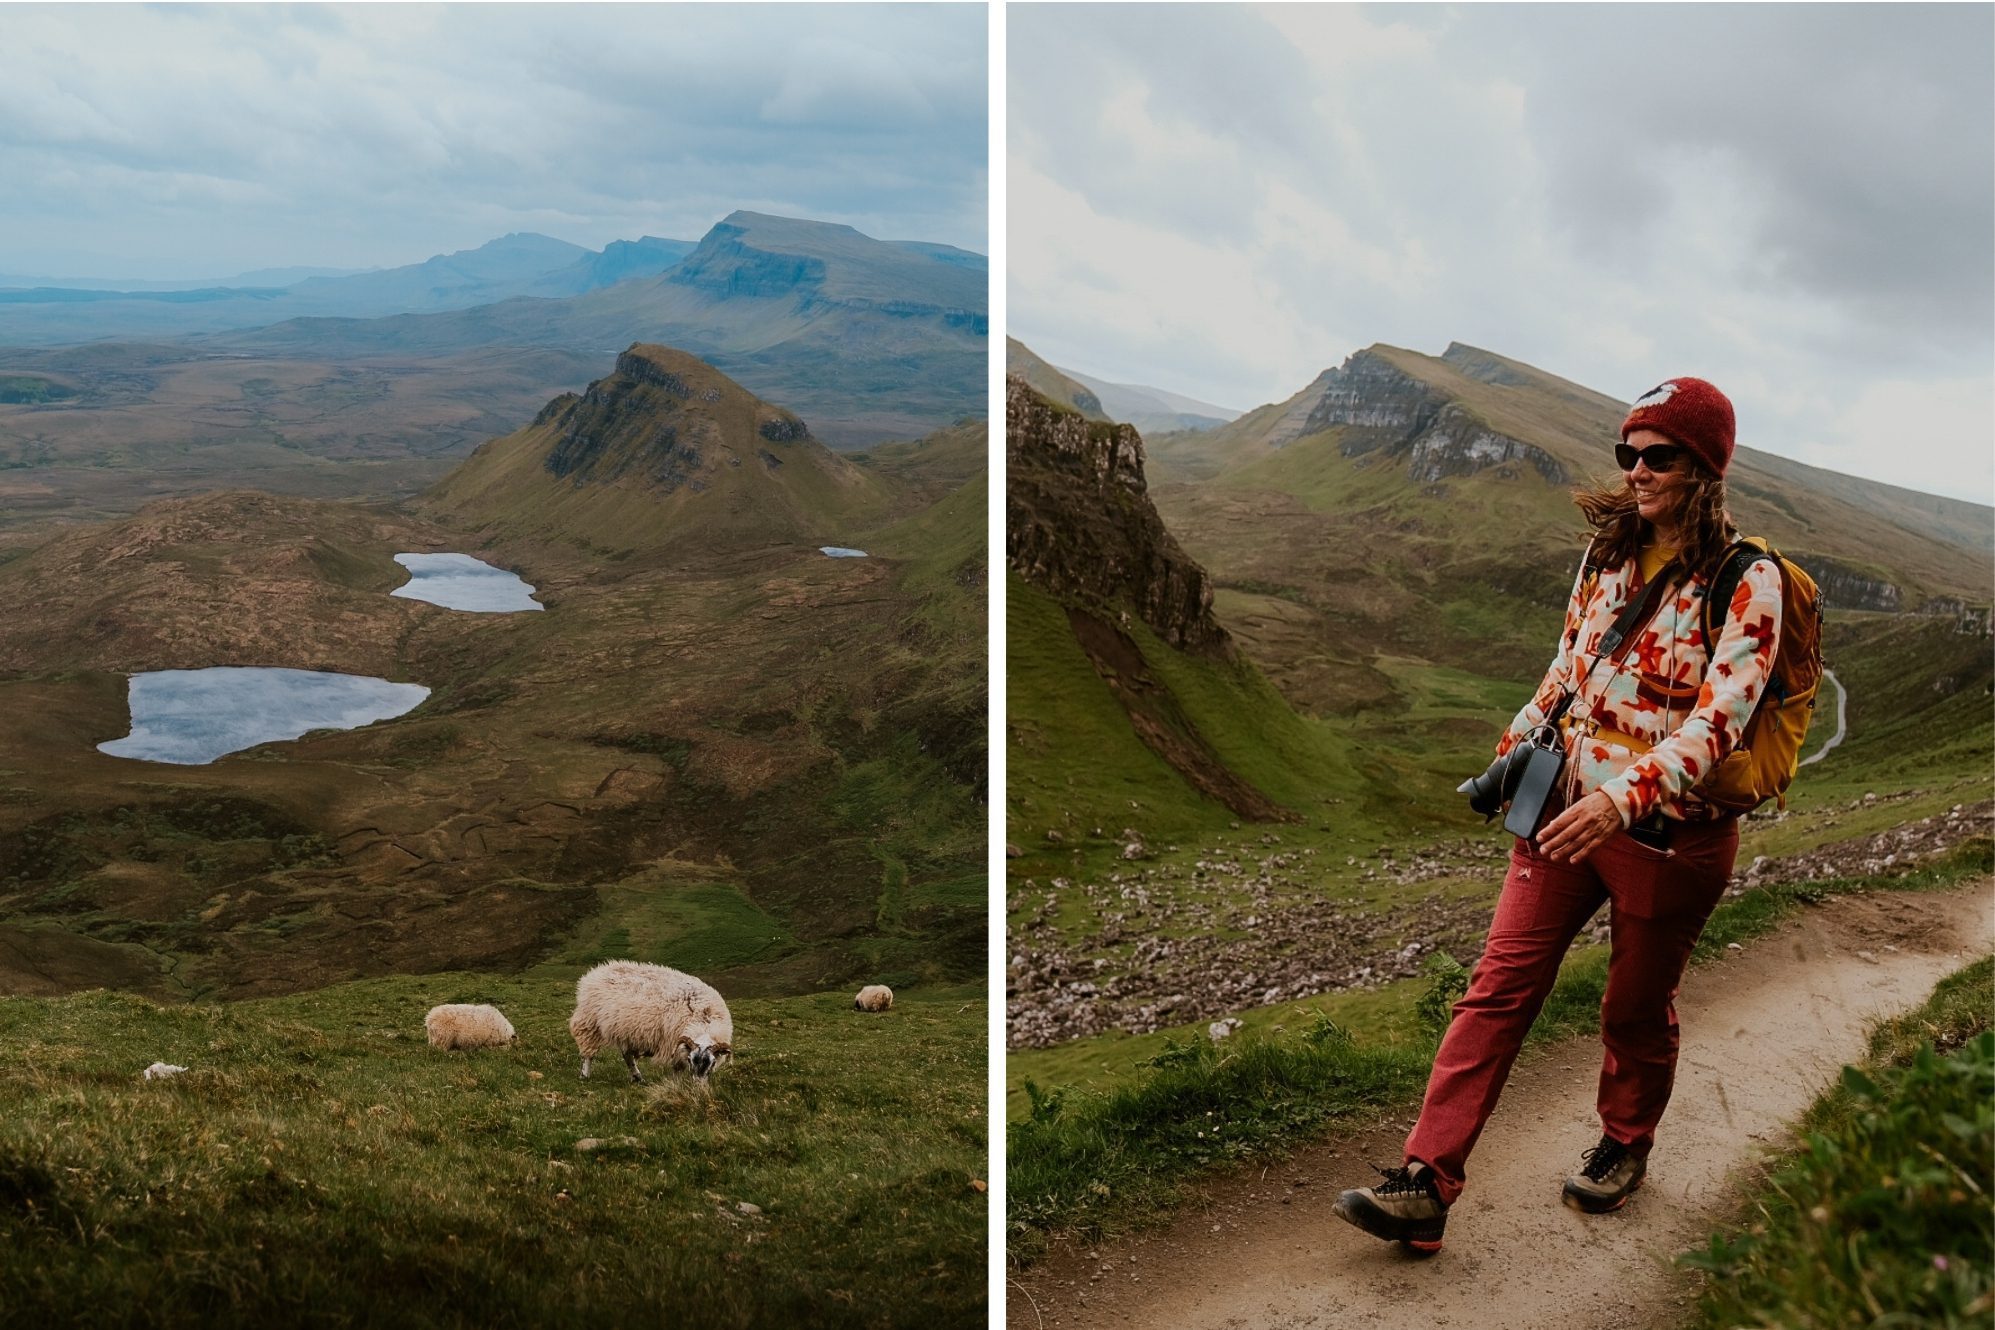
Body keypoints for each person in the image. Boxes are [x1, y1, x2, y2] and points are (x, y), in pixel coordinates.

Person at [1333, 377, 1784, 1253]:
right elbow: (1569, 662)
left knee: (1632, 1009)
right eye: (1627, 452)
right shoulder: (1607, 552)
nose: (1636, 470)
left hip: (1666, 837)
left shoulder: (1746, 580)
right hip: (1561, 815)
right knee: (1496, 990)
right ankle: (1425, 1181)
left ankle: (1624, 1145)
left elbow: (1719, 718)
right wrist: (1516, 744)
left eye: (1657, 456)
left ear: (1703, 467)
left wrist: (1623, 798)